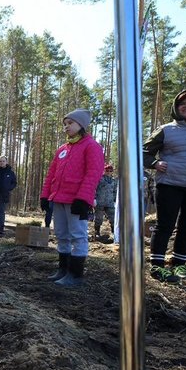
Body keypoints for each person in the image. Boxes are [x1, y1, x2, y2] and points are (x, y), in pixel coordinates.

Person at [143, 89, 186, 283]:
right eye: (183, 103)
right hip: (170, 183)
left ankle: (179, 265)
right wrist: (155, 164)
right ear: (176, 107)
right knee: (165, 224)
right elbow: (143, 153)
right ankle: (157, 267)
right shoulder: (166, 129)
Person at [40, 109, 104, 287]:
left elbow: (93, 174)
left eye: (70, 123)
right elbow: (51, 174)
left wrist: (83, 199)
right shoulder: (62, 149)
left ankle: (75, 274)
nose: (66, 127)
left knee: (78, 235)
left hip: (77, 200)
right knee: (61, 234)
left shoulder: (92, 146)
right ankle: (63, 270)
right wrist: (45, 195)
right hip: (58, 199)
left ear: (81, 125)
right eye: (65, 124)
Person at [94, 164, 117, 242]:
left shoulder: (114, 181)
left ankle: (114, 232)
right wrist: (94, 199)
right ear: (104, 171)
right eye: (107, 170)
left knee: (113, 218)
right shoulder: (99, 179)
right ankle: (97, 232)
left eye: (110, 171)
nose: (108, 172)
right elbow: (94, 189)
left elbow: (115, 191)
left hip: (110, 203)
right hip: (100, 202)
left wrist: (115, 200)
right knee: (98, 218)